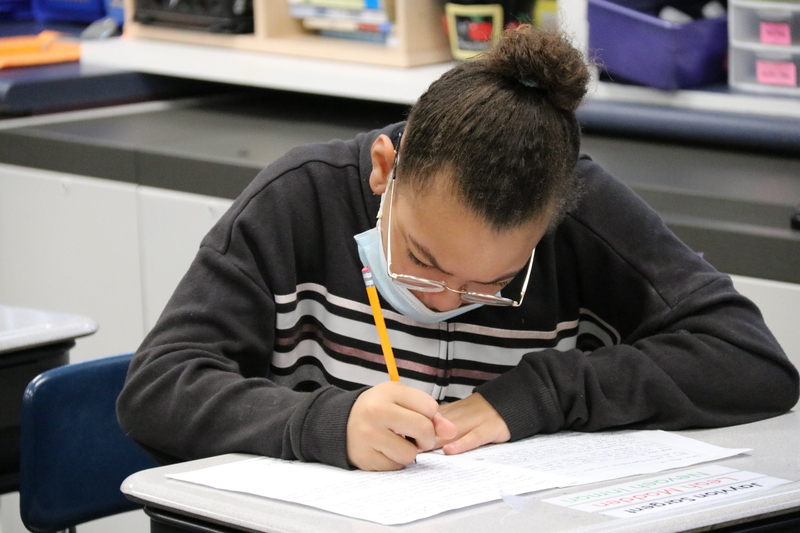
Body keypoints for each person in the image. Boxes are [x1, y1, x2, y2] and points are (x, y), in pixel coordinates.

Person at [117, 25, 799, 472]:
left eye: (491, 284)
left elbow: (749, 361)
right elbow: (156, 389)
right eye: (424, 258)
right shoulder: (300, 199)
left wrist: (543, 391)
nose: (443, 301)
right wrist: (324, 421)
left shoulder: (576, 211)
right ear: (386, 167)